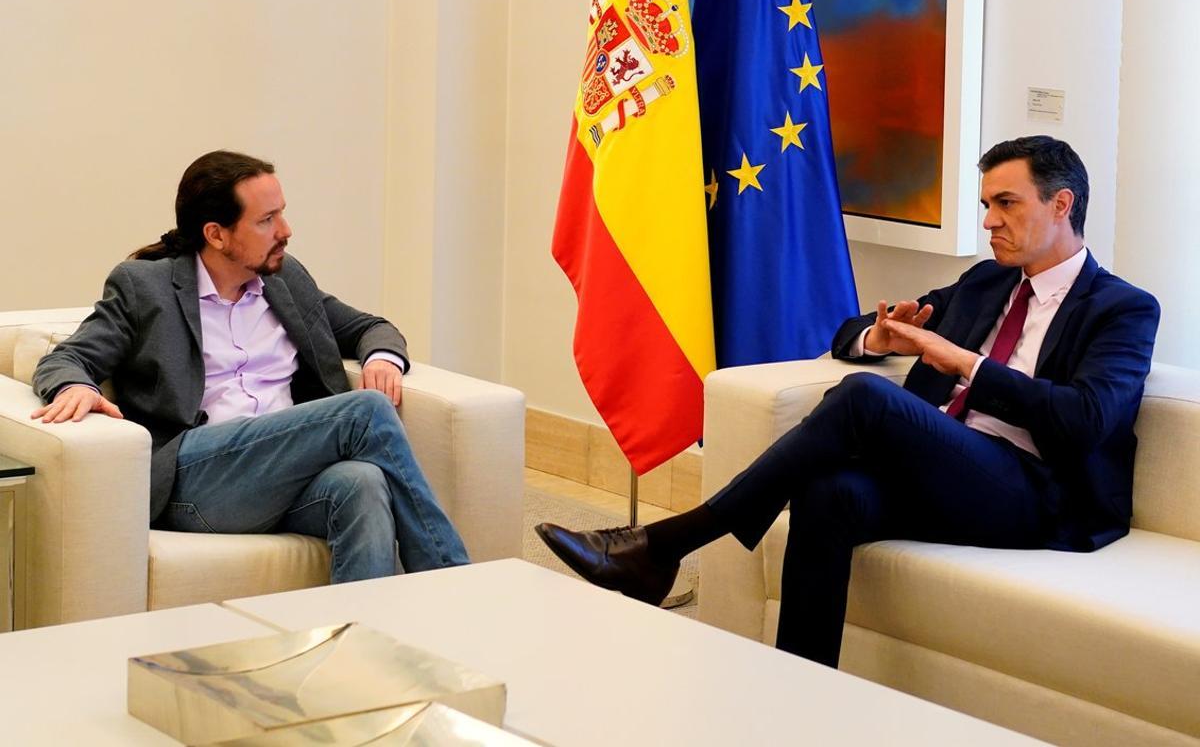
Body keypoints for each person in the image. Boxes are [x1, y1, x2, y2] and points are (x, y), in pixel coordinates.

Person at [537, 135, 1159, 668]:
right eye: (986, 205)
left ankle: (665, 545)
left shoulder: (1121, 308)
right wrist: (878, 335)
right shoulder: (986, 281)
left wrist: (962, 361)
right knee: (830, 492)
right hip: (953, 470)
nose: (990, 220)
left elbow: (1086, 420)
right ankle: (800, 697)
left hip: (1037, 494)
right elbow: (851, 331)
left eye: (1006, 203)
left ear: (1062, 204)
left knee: (867, 400)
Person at [32, 150, 468, 582]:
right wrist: (75, 386)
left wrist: (382, 358)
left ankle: (362, 644)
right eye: (266, 221)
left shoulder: (285, 279)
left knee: (363, 483)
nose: (285, 231)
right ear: (217, 234)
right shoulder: (146, 288)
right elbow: (68, 358)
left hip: (281, 473)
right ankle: (453, 584)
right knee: (366, 410)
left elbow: (369, 327)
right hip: (196, 481)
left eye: (282, 214)